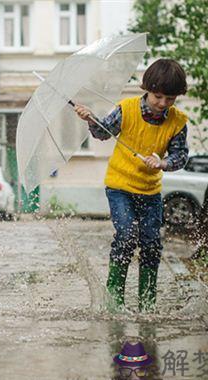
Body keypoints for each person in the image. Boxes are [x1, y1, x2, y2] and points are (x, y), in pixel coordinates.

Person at [74, 59, 189, 312]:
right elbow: (102, 133)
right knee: (126, 237)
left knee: (151, 243)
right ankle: (115, 302)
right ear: (146, 89)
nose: (163, 104)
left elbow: (181, 156)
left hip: (150, 191)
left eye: (170, 99)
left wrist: (164, 162)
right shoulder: (126, 109)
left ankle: (147, 305)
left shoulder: (178, 121)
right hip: (120, 187)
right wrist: (90, 118)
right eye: (158, 96)